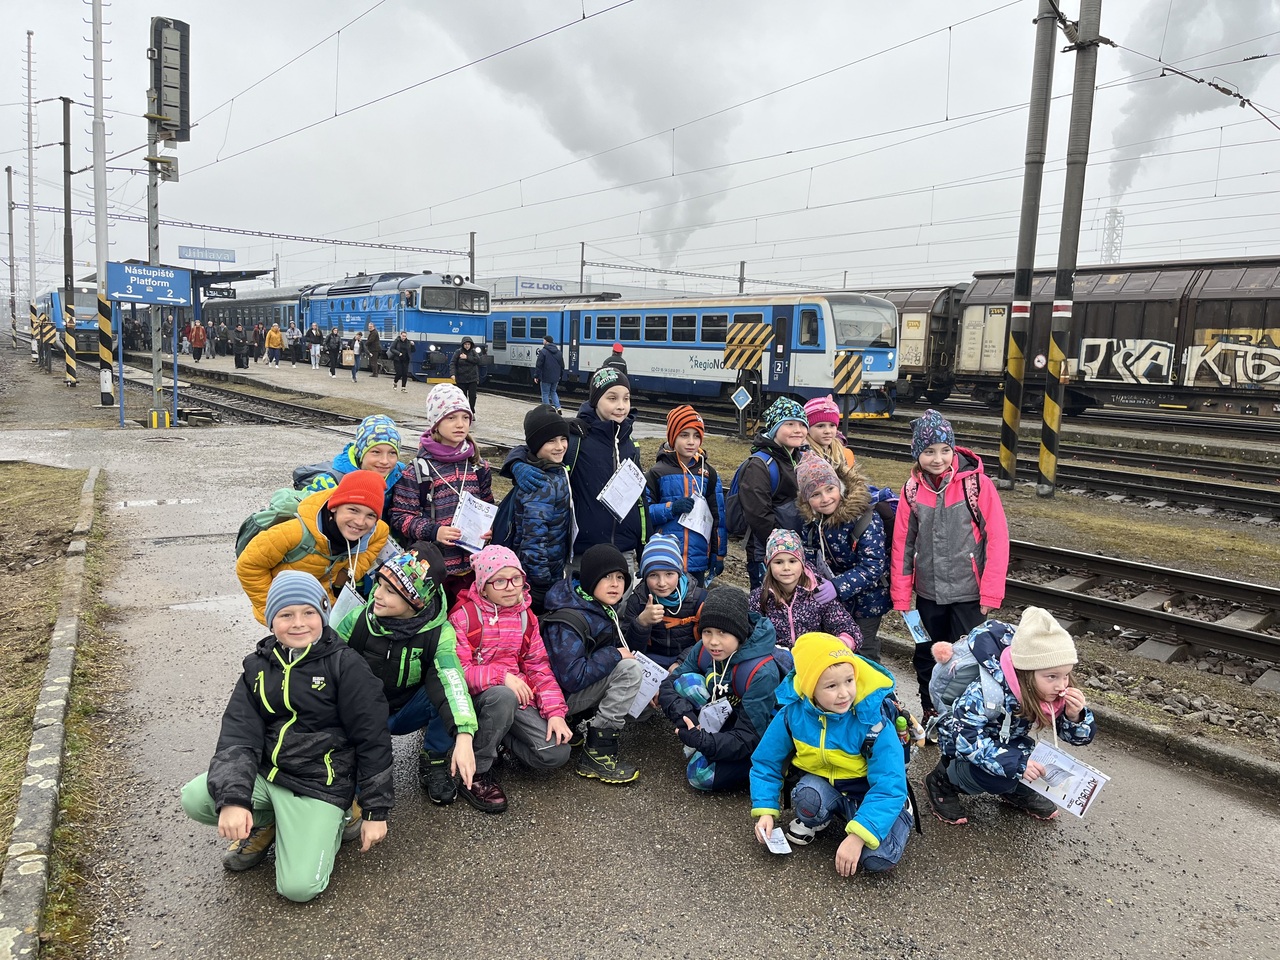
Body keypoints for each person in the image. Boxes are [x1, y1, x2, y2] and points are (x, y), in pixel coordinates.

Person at [179, 571, 393, 902]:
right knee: (195, 799)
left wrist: (375, 811)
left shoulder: (347, 665)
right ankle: (268, 822)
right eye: (286, 615)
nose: (298, 623)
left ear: (323, 614)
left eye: (309, 612)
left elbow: (373, 738)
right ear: (271, 621)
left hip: (318, 786)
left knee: (298, 888)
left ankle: (340, 818)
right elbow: (238, 735)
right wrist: (235, 798)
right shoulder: (256, 667)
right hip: (268, 775)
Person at [750, 632, 913, 876]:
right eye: (831, 686)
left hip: (871, 793)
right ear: (810, 688)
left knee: (878, 859)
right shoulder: (792, 715)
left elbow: (889, 785)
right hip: (830, 787)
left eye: (849, 680)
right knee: (807, 797)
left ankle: (896, 814)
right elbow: (766, 762)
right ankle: (828, 815)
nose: (844, 693)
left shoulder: (872, 721)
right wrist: (765, 810)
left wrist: (857, 837)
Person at [333, 542, 480, 809]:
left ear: (416, 601)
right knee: (349, 790)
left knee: (448, 687)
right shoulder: (357, 620)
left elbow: (451, 680)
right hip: (361, 714)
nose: (377, 594)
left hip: (406, 710)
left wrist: (464, 734)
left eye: (390, 591)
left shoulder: (439, 632)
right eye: (380, 584)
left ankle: (434, 758)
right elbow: (324, 664)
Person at [891, 409, 1009, 724]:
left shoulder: (977, 485)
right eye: (929, 451)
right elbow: (903, 544)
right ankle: (931, 709)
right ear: (917, 454)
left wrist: (991, 593)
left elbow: (997, 539)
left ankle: (967, 715)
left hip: (970, 593)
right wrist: (901, 597)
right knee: (927, 653)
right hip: (928, 593)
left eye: (945, 450)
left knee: (969, 658)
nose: (938, 458)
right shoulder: (912, 490)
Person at [925, 607, 1096, 825]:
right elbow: (966, 740)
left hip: (1006, 740)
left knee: (1032, 761)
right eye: (1052, 676)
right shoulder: (985, 691)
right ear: (1026, 672)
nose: (1061, 685)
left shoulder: (1045, 689)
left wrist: (1075, 717)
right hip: (962, 746)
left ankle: (1013, 785)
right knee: (1001, 776)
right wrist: (1017, 765)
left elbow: (1078, 739)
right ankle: (943, 780)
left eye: (1066, 675)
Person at [449, 546, 574, 813]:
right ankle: (477, 772)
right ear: (483, 587)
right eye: (499, 581)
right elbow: (458, 673)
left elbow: (538, 666)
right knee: (502, 696)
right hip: (478, 699)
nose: (510, 587)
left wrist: (555, 712)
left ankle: (499, 739)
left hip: (515, 697)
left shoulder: (526, 617)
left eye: (516, 579)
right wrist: (501, 676)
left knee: (557, 753)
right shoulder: (464, 617)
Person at [658, 586, 780, 792]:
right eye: (707, 632)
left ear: (740, 632)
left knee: (699, 776)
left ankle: (771, 767)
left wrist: (704, 741)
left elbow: (749, 736)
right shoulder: (704, 648)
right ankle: (711, 736)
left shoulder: (761, 672)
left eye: (723, 633)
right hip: (723, 716)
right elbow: (669, 684)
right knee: (687, 682)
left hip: (752, 733)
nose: (713, 642)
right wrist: (684, 716)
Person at [541, 544, 645, 784]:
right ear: (590, 579)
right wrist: (613, 655)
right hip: (555, 700)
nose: (615, 584)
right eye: (606, 577)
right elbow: (571, 678)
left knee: (639, 690)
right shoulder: (570, 618)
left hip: (566, 694)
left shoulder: (597, 606)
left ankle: (575, 723)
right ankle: (598, 753)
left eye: (620, 577)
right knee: (629, 672)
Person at [236, 470, 390, 625]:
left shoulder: (375, 531)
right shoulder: (292, 532)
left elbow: (380, 537)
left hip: (324, 606)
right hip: (289, 613)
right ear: (334, 507)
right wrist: (274, 611)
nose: (360, 522)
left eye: (370, 515)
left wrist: (344, 576)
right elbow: (249, 565)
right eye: (353, 510)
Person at [389, 383, 492, 601]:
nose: (460, 424)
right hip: (434, 571)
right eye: (451, 418)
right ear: (436, 423)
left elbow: (488, 505)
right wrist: (435, 531)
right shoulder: (418, 470)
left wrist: (489, 529)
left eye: (465, 418)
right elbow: (400, 517)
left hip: (475, 568)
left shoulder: (478, 467)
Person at [796, 454, 889, 661]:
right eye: (816, 494)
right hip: (834, 600)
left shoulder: (865, 518)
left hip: (868, 600)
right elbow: (809, 558)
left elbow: (873, 566)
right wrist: (813, 583)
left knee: (863, 651)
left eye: (830, 489)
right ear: (806, 500)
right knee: (835, 648)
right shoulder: (812, 523)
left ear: (840, 487)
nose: (825, 498)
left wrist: (837, 586)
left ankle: (872, 681)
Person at [566, 367, 645, 567]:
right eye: (612, 398)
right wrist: (519, 467)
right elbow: (530, 452)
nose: (621, 406)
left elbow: (640, 498)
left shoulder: (630, 444)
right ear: (595, 401)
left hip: (624, 551)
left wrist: (642, 543)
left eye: (626, 399)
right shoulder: (577, 439)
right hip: (585, 553)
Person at [500, 405, 574, 614]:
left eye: (563, 439)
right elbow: (533, 539)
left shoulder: (554, 470)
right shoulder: (540, 483)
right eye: (550, 441)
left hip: (551, 568)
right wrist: (542, 582)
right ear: (536, 445)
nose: (559, 447)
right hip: (539, 578)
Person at [644, 405, 725, 586]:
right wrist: (671, 508)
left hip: (698, 560)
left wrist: (719, 554)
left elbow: (718, 518)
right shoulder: (657, 473)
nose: (691, 442)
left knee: (695, 601)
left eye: (696, 436)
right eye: (684, 435)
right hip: (665, 559)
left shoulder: (709, 474)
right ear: (672, 437)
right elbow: (644, 514)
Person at [738, 397, 809, 590]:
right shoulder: (759, 465)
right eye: (789, 424)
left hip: (795, 551)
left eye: (802, 424)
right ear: (774, 427)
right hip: (767, 551)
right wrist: (782, 546)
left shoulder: (801, 459)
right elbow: (758, 514)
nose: (797, 430)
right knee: (769, 601)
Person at [749, 528, 861, 650]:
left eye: (792, 561)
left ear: (802, 562)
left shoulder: (819, 593)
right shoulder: (759, 597)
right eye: (778, 562)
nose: (786, 567)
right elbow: (749, 632)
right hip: (774, 658)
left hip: (812, 655)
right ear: (768, 563)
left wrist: (840, 643)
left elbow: (849, 629)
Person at [622, 534, 706, 669]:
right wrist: (641, 623)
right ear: (644, 576)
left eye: (669, 574)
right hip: (650, 661)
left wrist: (682, 662)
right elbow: (629, 648)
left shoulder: (699, 599)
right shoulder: (637, 600)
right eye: (653, 575)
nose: (662, 583)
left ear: (679, 573)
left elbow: (708, 642)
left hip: (688, 660)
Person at [300, 414, 406, 520]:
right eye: (376, 452)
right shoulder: (331, 482)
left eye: (392, 453)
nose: (384, 461)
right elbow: (305, 511)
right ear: (360, 453)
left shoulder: (402, 474)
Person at [804, 395, 856, 470]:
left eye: (832, 425)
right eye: (820, 426)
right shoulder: (799, 456)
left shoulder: (845, 454)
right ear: (807, 428)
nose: (828, 431)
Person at [450, 336, 482, 412]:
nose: (467, 346)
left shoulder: (473, 352)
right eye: (465, 344)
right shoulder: (458, 352)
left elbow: (478, 360)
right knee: (462, 396)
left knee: (472, 396)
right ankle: (464, 411)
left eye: (468, 344)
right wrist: (452, 374)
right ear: (463, 345)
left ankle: (471, 410)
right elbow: (453, 363)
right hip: (461, 378)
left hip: (472, 378)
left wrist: (467, 357)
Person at [533, 334, 563, 412]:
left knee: (545, 393)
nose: (543, 341)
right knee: (553, 392)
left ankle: (547, 410)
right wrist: (560, 375)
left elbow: (539, 364)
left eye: (543, 340)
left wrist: (536, 376)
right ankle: (558, 407)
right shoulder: (558, 352)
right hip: (556, 377)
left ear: (546, 341)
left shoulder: (543, 352)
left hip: (546, 376)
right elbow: (562, 365)